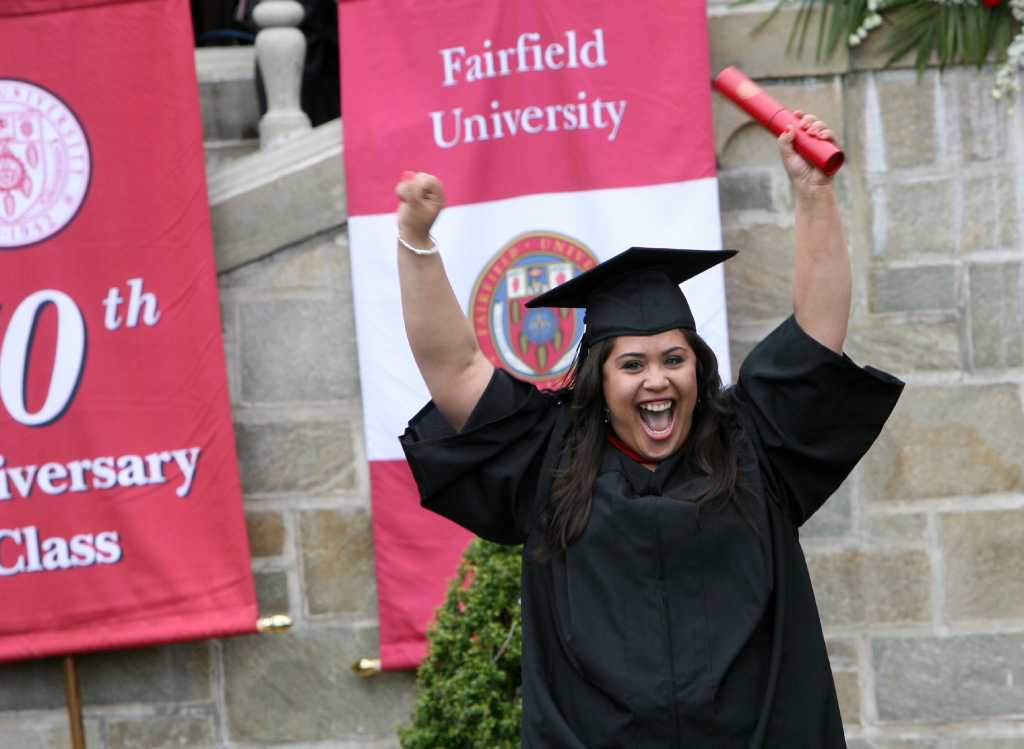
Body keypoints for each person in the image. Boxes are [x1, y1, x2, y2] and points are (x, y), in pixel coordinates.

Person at [393, 114, 904, 748]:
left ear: (698, 366)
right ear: (599, 382)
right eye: (631, 365)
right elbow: (456, 367)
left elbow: (818, 333)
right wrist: (416, 240)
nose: (656, 381)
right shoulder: (550, 461)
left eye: (673, 359)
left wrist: (813, 193)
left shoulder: (752, 445)